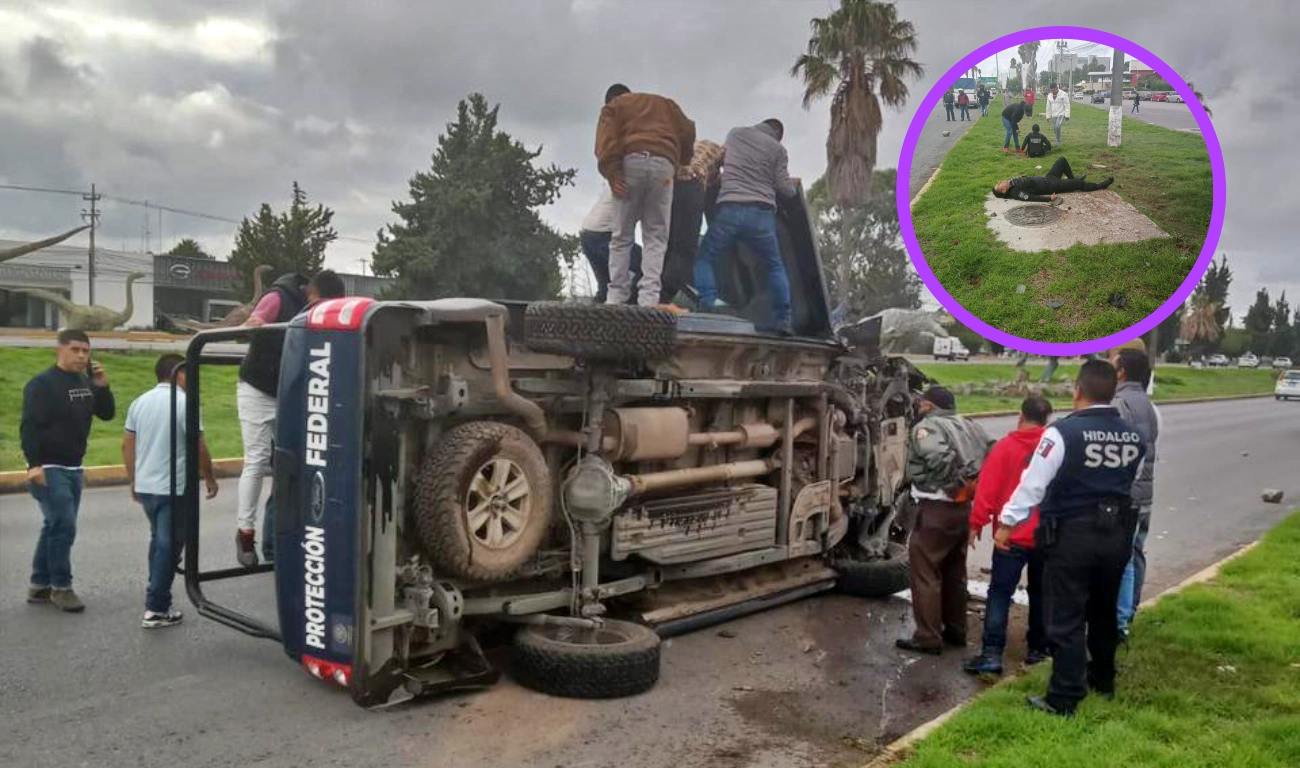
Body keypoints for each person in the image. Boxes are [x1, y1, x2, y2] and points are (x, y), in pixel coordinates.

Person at [997, 360, 1146, 716]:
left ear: (1078, 390)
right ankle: (1102, 681)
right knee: (1104, 610)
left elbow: (1033, 485)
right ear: (1113, 391)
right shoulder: (1132, 434)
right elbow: (1132, 478)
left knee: (1066, 616)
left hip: (1073, 534)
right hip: (1116, 536)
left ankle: (1063, 696)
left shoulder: (1062, 433)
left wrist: (1007, 523)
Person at [235, 270, 345, 566]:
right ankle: (245, 533)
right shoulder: (278, 297)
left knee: (293, 463)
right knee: (257, 460)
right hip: (257, 388)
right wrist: (272, 329)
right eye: (322, 305)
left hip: (288, 391)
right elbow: (252, 327)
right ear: (311, 293)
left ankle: (284, 541)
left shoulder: (317, 311)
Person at [20, 329, 115, 612]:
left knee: (55, 525)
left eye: (86, 351)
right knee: (64, 526)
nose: (82, 356)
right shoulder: (42, 384)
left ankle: (39, 585)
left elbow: (107, 414)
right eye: (75, 350)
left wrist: (102, 386)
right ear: (59, 350)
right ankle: (61, 587)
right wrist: (34, 465)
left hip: (74, 467)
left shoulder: (85, 381)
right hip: (49, 467)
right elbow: (29, 426)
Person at [123, 354, 219, 628]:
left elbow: (127, 443)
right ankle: (156, 608)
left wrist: (134, 480)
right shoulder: (184, 403)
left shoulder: (139, 402)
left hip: (148, 487)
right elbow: (198, 445)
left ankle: (156, 595)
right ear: (178, 374)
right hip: (173, 488)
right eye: (189, 374)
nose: (192, 380)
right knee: (169, 545)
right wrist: (209, 477)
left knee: (158, 541)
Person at [896, 386, 993, 655]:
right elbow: (992, 453)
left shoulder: (927, 427)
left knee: (925, 572)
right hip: (963, 512)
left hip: (936, 508)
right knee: (955, 572)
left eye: (921, 404)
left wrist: (956, 484)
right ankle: (956, 630)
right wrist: (974, 485)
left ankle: (927, 637)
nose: (918, 408)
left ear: (928, 405)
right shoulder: (971, 425)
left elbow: (938, 457)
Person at [964, 396, 1054, 676]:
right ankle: (1038, 650)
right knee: (1042, 593)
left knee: (1000, 593)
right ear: (1046, 419)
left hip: (1010, 536)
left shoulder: (1004, 448)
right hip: (1045, 536)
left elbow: (987, 490)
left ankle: (992, 654)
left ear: (1020, 416)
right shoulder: (1053, 449)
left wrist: (976, 524)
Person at [693, 119, 800, 336]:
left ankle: (707, 303)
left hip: (730, 209)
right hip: (761, 216)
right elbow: (785, 190)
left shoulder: (736, 133)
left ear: (760, 124)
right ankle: (784, 321)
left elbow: (721, 162)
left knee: (706, 257)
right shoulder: (778, 149)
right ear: (777, 134)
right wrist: (792, 185)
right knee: (774, 267)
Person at [595, 83, 696, 310]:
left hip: (632, 162)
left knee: (621, 236)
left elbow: (606, 139)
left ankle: (616, 297)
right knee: (656, 237)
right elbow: (688, 129)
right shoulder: (666, 105)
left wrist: (613, 172)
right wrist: (682, 161)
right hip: (664, 166)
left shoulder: (615, 105)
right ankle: (649, 300)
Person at [1111, 349, 1159, 641]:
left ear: (1122, 372)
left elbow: (1120, 451)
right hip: (1145, 492)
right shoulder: (1149, 406)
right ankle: (1128, 612)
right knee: (1135, 553)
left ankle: (1119, 621)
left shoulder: (1121, 404)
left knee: (1123, 560)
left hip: (1127, 495)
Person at [660, 138, 725, 305]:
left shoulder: (699, 145)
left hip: (670, 182)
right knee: (686, 247)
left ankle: (653, 293)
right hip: (692, 181)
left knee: (669, 243)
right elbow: (721, 182)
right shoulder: (723, 153)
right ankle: (665, 297)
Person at [579, 186, 643, 304]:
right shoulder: (647, 179)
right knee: (648, 267)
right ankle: (632, 314)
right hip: (604, 236)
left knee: (605, 289)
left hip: (587, 235)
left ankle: (590, 320)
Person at [992, 157, 1113, 205]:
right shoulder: (1015, 192)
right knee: (1078, 184)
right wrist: (1049, 198)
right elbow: (1030, 197)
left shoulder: (1011, 183)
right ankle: (1099, 186)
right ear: (1003, 190)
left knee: (1062, 160)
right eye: (999, 184)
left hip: (1049, 178)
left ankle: (1073, 179)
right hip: (1053, 185)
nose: (1000, 181)